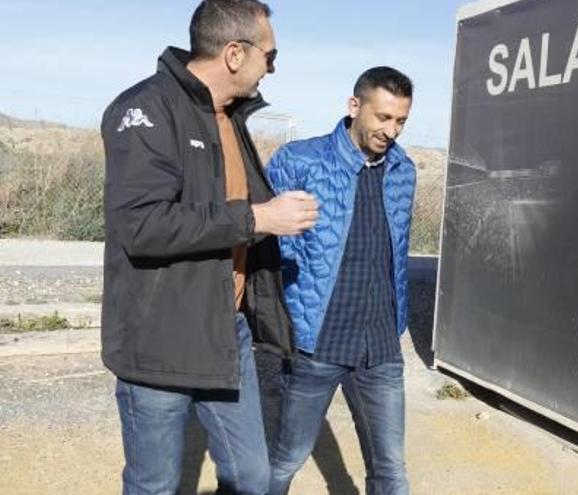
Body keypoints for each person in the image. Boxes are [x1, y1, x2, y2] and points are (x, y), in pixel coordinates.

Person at [100, 1, 318, 493]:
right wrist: (259, 217)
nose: (275, 67)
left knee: (251, 478)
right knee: (154, 484)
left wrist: (274, 222)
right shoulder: (145, 109)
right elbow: (141, 225)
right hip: (159, 339)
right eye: (271, 55)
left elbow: (231, 215)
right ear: (236, 54)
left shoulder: (229, 118)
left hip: (226, 331)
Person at [265, 66, 416, 495]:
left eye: (401, 120)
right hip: (318, 342)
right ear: (355, 107)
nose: (391, 130)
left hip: (382, 344)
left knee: (391, 470)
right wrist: (288, 316)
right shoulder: (300, 161)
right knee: (286, 460)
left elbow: (396, 253)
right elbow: (271, 248)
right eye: (383, 117)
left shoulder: (404, 170)